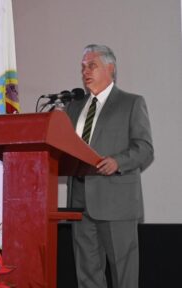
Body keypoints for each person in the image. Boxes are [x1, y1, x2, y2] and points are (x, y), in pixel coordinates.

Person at [65, 44, 154, 288]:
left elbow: (145, 148)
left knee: (123, 276)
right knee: (87, 275)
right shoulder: (72, 108)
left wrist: (118, 162)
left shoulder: (131, 103)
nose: (85, 71)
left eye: (92, 65)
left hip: (117, 202)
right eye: (83, 67)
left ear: (111, 68)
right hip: (79, 202)